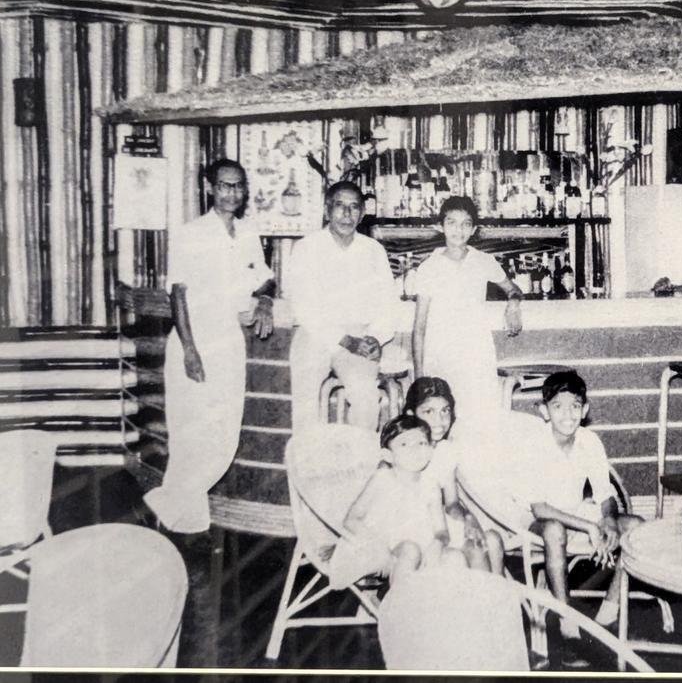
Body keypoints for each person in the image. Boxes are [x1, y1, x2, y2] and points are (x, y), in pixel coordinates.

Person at [144, 159, 275, 535]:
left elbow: (264, 278)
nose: (231, 193)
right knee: (191, 433)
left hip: (228, 341)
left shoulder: (248, 233)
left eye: (237, 186)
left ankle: (169, 507)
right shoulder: (190, 233)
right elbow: (178, 294)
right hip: (195, 338)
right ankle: (179, 523)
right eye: (224, 185)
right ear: (209, 187)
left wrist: (265, 300)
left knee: (223, 433)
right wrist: (189, 349)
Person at [523, 371, 641, 637]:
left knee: (635, 526)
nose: (567, 415)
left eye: (575, 406)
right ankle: (567, 620)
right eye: (557, 406)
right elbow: (539, 508)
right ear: (544, 411)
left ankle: (608, 612)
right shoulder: (533, 444)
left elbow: (604, 494)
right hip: (532, 521)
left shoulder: (589, 441)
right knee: (555, 529)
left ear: (585, 409)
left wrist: (609, 520)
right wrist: (590, 527)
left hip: (575, 513)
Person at [288, 181, 402, 432]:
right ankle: (308, 469)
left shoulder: (373, 250)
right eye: (340, 206)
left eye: (354, 208)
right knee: (305, 406)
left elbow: (388, 304)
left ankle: (356, 468)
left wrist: (375, 337)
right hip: (315, 335)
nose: (347, 214)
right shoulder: (307, 248)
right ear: (327, 210)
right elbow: (303, 307)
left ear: (362, 214)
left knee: (366, 400)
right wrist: (343, 339)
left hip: (359, 337)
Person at [411, 196, 522, 431]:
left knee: (478, 421)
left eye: (465, 224)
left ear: (473, 229)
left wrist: (513, 306)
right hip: (440, 354)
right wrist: (420, 376)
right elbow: (419, 328)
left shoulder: (484, 261)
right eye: (451, 222)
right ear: (440, 226)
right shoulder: (429, 267)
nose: (458, 230)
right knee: (439, 424)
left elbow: (513, 289)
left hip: (475, 354)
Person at [329, 416, 462, 589]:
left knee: (454, 558)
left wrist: (438, 542)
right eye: (404, 445)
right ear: (388, 455)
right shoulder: (382, 479)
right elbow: (351, 520)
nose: (414, 450)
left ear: (430, 451)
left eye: (421, 443)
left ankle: (443, 610)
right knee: (410, 550)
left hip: (414, 545)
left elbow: (441, 530)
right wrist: (378, 547)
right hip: (370, 547)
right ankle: (399, 610)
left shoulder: (430, 485)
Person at [401, 376, 504, 574]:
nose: (439, 420)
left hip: (440, 524)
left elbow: (451, 503)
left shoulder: (445, 450)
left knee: (486, 540)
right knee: (464, 555)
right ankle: (481, 600)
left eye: (445, 411)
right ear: (411, 413)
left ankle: (493, 601)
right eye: (428, 412)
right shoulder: (401, 449)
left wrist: (469, 519)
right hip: (412, 530)